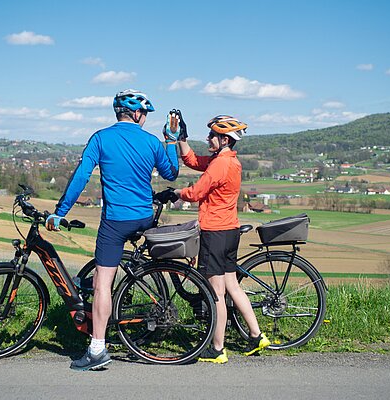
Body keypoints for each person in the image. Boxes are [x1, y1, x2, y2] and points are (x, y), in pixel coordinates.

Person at [45, 89, 180, 371]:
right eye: (145, 114)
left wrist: (60, 213)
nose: (145, 118)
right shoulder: (152, 141)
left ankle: (97, 349)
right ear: (137, 113)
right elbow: (171, 173)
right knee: (121, 267)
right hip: (144, 217)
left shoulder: (101, 138)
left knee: (102, 282)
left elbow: (81, 176)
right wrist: (170, 140)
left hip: (116, 221)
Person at [172, 114, 271, 364]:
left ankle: (217, 349)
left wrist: (175, 193)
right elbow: (194, 161)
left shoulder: (220, 164)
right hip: (229, 232)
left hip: (215, 233)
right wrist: (181, 139)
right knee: (232, 287)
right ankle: (257, 335)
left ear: (224, 139)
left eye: (212, 136)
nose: (208, 138)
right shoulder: (228, 161)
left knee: (215, 294)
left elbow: (196, 192)